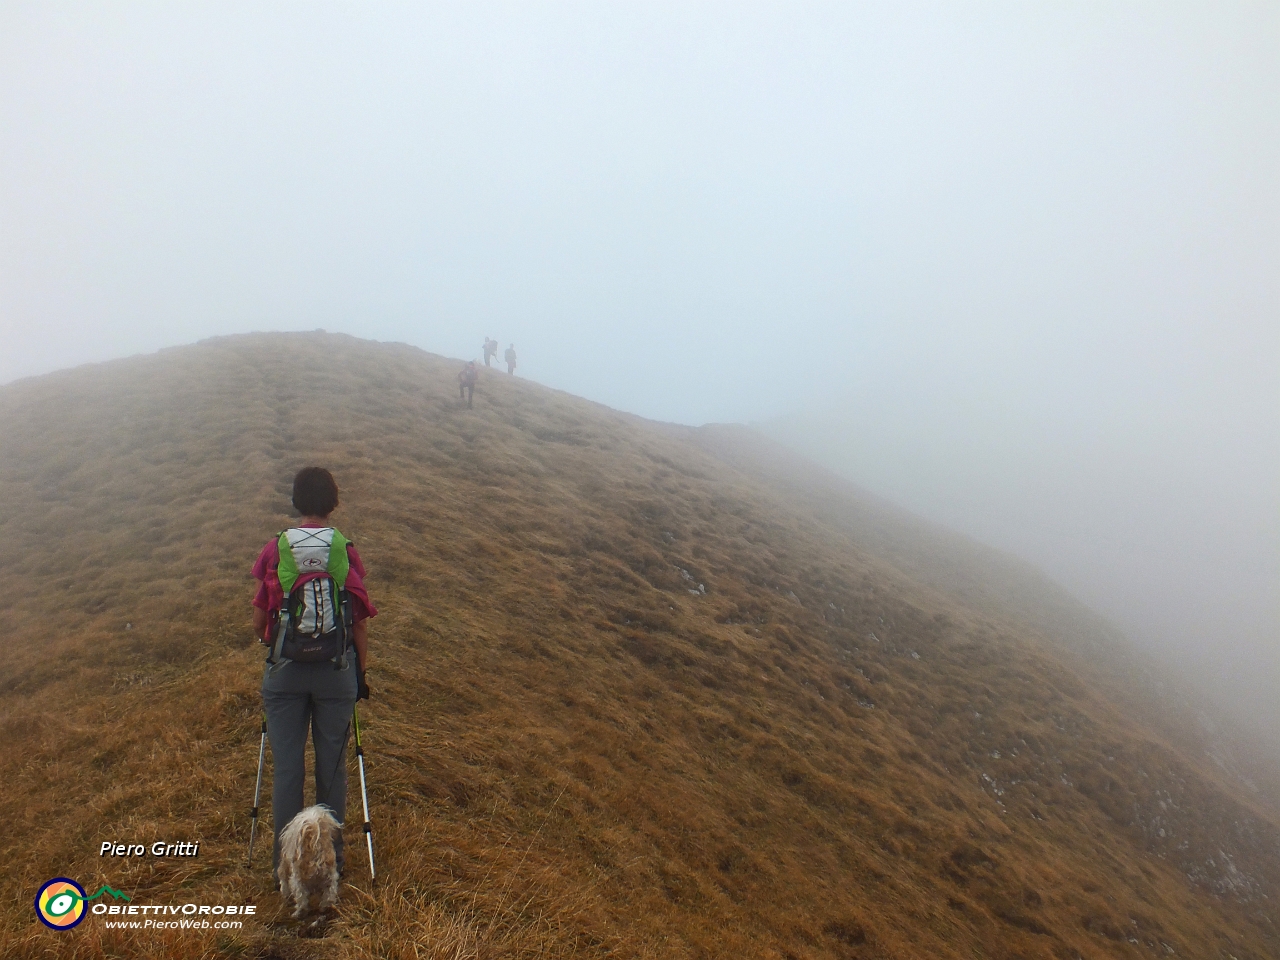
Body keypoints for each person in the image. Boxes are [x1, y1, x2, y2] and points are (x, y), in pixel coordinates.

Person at [251, 467, 377, 881]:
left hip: (284, 673)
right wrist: (360, 672)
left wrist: (272, 643)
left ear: (296, 501)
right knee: (332, 770)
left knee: (288, 771)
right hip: (335, 672)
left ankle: (284, 869)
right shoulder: (343, 548)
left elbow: (259, 618)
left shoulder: (277, 548)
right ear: (333, 501)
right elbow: (357, 618)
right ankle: (330, 865)